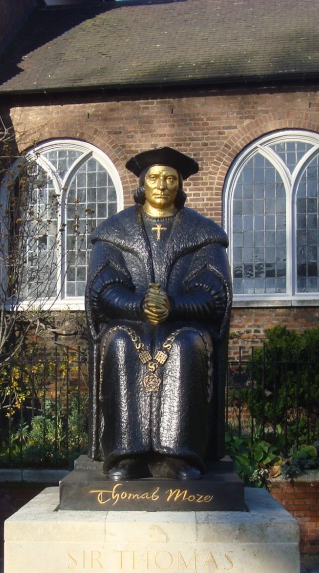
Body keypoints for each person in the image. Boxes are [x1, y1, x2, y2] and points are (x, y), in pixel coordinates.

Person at [86, 147, 232, 481]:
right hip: (129, 322)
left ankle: (180, 454)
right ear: (142, 184)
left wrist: (175, 306)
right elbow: (102, 286)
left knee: (186, 346)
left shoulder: (204, 234)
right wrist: (137, 305)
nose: (162, 185)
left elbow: (214, 289)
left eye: (170, 178)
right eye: (154, 178)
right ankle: (125, 453)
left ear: (180, 185)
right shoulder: (113, 232)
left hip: (183, 324)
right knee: (121, 343)